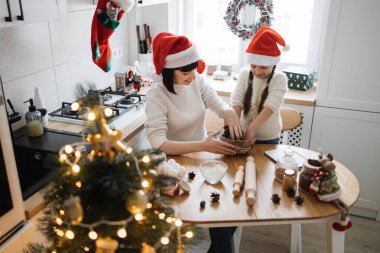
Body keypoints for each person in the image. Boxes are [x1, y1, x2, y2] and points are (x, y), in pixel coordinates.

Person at [144, 32, 243, 155]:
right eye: (185, 73)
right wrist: (202, 146)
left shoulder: (196, 80)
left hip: (201, 152)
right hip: (174, 160)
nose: (193, 76)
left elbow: (214, 100)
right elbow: (159, 144)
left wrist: (228, 111)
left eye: (194, 70)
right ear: (168, 71)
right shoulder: (156, 95)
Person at [231, 26, 288, 144]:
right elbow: (237, 100)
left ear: (273, 64)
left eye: (263, 67)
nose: (257, 71)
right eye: (253, 66)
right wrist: (235, 124)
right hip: (243, 133)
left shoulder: (279, 79)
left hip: (268, 139)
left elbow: (271, 106)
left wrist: (252, 128)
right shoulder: (244, 74)